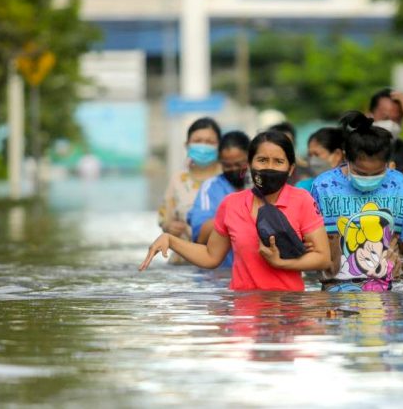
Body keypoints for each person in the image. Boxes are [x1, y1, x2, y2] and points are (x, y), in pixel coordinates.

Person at [140, 131, 331, 291]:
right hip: (243, 314)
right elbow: (210, 256)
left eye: (278, 161)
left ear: (290, 169)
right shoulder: (232, 204)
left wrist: (282, 264)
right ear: (249, 165)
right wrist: (171, 240)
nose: (269, 167)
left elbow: (323, 258)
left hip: (288, 312)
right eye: (262, 160)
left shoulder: (302, 201)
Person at [310, 112, 403, 292]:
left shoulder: (398, 184)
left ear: (388, 163)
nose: (369, 178)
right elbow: (313, 245)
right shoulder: (325, 186)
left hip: (389, 294)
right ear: (346, 158)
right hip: (336, 292)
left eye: (377, 173)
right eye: (361, 173)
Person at [157, 117, 222, 258]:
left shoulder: (229, 178)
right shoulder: (178, 180)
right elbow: (164, 219)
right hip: (184, 263)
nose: (203, 146)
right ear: (187, 145)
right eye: (198, 141)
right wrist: (169, 227)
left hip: (221, 262)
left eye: (210, 142)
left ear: (220, 146)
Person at [186, 131, 252, 267]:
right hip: (220, 273)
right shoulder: (210, 188)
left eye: (239, 164)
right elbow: (200, 236)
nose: (234, 169)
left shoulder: (261, 186)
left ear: (250, 159)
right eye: (227, 165)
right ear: (220, 162)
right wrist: (237, 215)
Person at [295, 127, 344, 191]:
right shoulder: (302, 188)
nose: (312, 161)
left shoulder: (353, 188)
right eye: (310, 155)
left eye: (316, 154)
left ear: (337, 155)